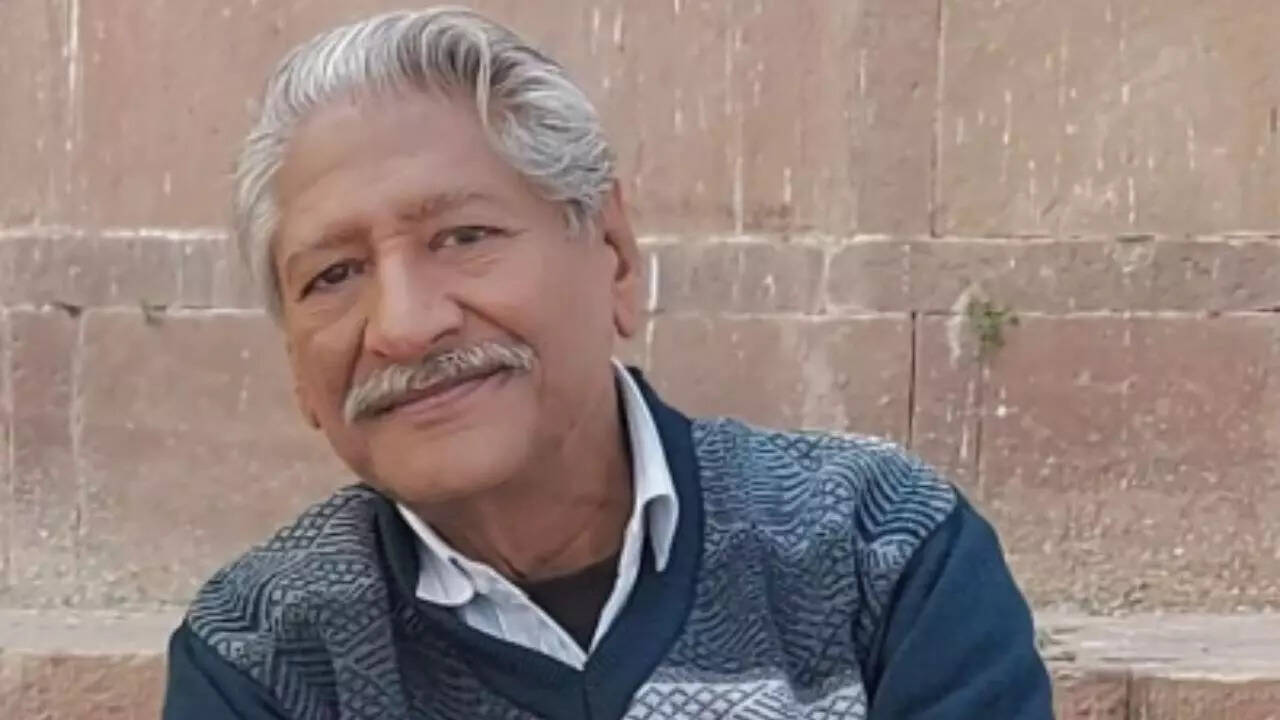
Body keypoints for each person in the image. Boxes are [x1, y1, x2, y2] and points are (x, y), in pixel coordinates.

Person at [161, 7, 1053, 719]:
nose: (403, 325)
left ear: (615, 257)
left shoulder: (881, 550)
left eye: (464, 236)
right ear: (297, 368)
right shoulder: (260, 655)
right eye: (334, 276)